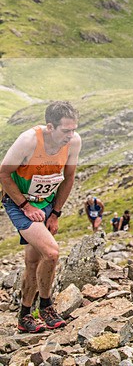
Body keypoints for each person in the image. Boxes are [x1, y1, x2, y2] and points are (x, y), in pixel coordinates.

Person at [0, 101, 81, 333]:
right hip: (19, 202)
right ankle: (46, 305)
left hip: (45, 203)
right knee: (52, 253)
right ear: (49, 127)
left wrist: (55, 213)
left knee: (33, 262)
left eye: (73, 129)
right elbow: (3, 173)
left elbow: (69, 177)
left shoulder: (74, 142)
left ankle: (25, 315)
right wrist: (25, 206)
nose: (71, 135)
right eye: (66, 130)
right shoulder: (28, 141)